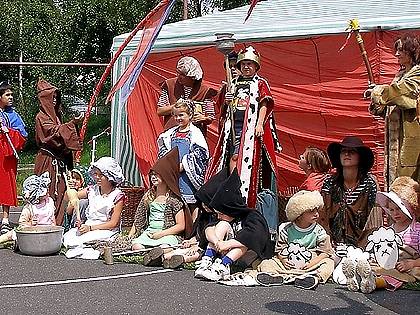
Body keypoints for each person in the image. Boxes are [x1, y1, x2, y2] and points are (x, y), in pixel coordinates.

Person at [206, 46, 281, 208]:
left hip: (250, 128)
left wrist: (260, 123)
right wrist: (226, 100)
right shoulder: (232, 83)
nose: (246, 67)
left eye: (250, 64)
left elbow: (264, 103)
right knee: (231, 155)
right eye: (244, 64)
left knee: (241, 156)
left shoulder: (260, 83)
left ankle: (239, 184)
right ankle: (233, 183)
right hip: (233, 127)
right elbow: (222, 107)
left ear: (255, 66)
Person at [342, 176, 420, 293]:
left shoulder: (416, 229)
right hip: (388, 261)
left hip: (406, 265)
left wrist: (412, 263)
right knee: (374, 266)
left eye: (399, 209)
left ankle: (374, 283)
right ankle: (358, 277)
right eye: (391, 210)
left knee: (400, 276)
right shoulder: (389, 230)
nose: (395, 214)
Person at [194, 169, 272, 281]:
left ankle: (223, 267)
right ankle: (207, 260)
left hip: (248, 256)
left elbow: (254, 236)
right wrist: (218, 242)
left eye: (221, 213)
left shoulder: (253, 216)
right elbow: (208, 230)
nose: (219, 216)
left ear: (230, 209)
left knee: (244, 240)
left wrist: (228, 244)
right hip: (225, 251)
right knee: (222, 225)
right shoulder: (225, 219)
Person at [366, 34, 420, 187]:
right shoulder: (400, 76)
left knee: (408, 187)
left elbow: (401, 94)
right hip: (395, 140)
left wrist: (379, 92)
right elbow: (394, 102)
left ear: (412, 51)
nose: (397, 54)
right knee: (395, 185)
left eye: (401, 50)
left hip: (410, 138)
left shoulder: (417, 74)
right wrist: (377, 101)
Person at [255, 190, 335, 289]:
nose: (316, 214)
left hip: (310, 263)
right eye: (311, 211)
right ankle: (274, 276)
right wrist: (284, 260)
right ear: (299, 214)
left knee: (328, 263)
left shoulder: (319, 231)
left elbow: (325, 252)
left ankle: (314, 277)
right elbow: (280, 249)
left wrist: (311, 263)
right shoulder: (286, 229)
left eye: (317, 210)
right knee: (267, 263)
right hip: (289, 262)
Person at [34, 79, 83, 226]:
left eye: (56, 97)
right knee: (47, 193)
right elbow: (52, 134)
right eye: (51, 97)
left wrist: (70, 126)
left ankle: (58, 226)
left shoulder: (57, 117)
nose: (54, 100)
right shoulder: (41, 117)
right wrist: (71, 124)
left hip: (58, 163)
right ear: (44, 99)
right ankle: (44, 227)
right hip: (47, 162)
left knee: (61, 193)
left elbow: (62, 137)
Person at [319, 136, 380, 247]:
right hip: (333, 243)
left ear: (360, 157)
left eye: (352, 151)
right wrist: (326, 241)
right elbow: (323, 214)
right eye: (343, 151)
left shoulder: (369, 184)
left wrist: (366, 246)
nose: (346, 154)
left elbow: (374, 218)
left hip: (363, 244)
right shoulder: (330, 183)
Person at [130, 148, 192, 251]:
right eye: (152, 174)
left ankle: (158, 254)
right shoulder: (149, 196)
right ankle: (150, 253)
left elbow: (181, 225)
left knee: (165, 247)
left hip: (167, 234)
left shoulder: (173, 200)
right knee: (136, 247)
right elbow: (139, 219)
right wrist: (131, 235)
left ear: (166, 176)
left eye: (157, 174)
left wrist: (161, 234)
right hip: (150, 233)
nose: (153, 177)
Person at [157, 99, 209, 219]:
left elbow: (201, 153)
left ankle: (193, 228)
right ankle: (179, 227)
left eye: (181, 115)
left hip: (187, 175)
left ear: (190, 115)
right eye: (175, 115)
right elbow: (163, 148)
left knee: (191, 202)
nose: (178, 118)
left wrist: (184, 164)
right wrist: (169, 164)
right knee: (176, 202)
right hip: (174, 173)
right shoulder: (171, 133)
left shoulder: (195, 133)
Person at [63, 157, 125, 252]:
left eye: (101, 175)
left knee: (83, 242)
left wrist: (91, 228)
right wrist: (71, 190)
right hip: (88, 226)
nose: (97, 177)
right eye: (96, 174)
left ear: (110, 177)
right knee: (69, 237)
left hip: (105, 230)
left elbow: (113, 223)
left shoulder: (117, 195)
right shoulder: (91, 190)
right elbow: (69, 197)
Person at [156, 56, 217, 136]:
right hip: (172, 134)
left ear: (192, 77)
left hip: (194, 137)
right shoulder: (170, 85)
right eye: (178, 73)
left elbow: (210, 117)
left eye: (183, 75)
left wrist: (203, 118)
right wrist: (177, 106)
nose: (179, 77)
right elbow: (160, 111)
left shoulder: (205, 91)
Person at [0, 81, 27, 235]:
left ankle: (5, 219)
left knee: (6, 186)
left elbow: (23, 135)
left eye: (11, 94)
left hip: (7, 156)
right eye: (7, 95)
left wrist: (8, 131)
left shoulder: (14, 115)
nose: (11, 97)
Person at [0, 172, 55, 245]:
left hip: (47, 231)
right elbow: (22, 223)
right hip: (31, 231)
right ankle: (4, 240)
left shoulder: (49, 202)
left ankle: (19, 243)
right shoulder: (30, 207)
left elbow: (52, 217)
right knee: (12, 233)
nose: (47, 190)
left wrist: (55, 227)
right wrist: (30, 223)